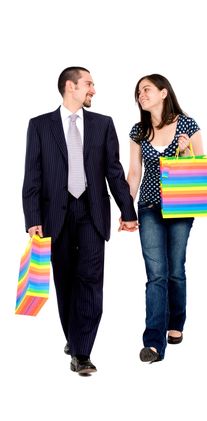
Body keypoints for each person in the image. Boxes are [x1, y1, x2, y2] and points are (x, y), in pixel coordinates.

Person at [22, 66, 138, 376]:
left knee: (89, 280)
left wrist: (128, 212)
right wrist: (32, 218)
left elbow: (113, 171)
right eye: (88, 84)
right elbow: (32, 175)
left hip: (91, 213)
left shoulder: (102, 124)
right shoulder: (39, 126)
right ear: (70, 87)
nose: (93, 90)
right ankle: (73, 339)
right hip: (53, 216)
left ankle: (82, 352)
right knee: (65, 281)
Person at [126, 74, 204, 364]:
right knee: (156, 274)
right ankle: (154, 342)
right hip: (148, 205)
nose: (141, 95)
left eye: (146, 89)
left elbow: (200, 167)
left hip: (181, 206)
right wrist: (126, 209)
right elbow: (134, 173)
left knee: (175, 269)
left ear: (163, 92)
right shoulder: (138, 131)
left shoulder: (187, 124)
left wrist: (187, 151)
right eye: (138, 92)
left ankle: (177, 322)